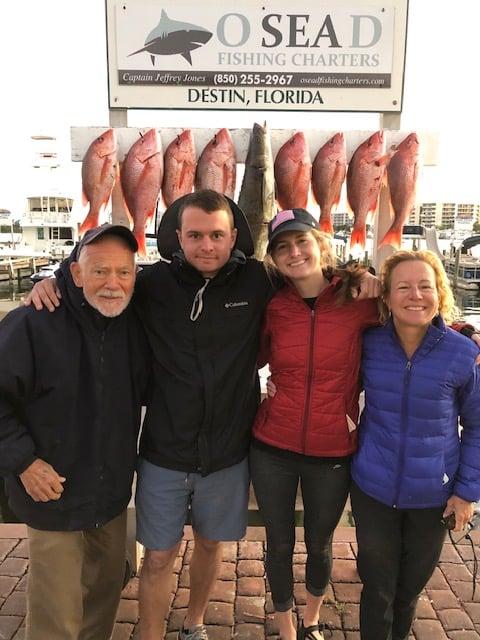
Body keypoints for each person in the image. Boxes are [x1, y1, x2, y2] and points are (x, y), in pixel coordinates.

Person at [25, 192, 378, 640]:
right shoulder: (152, 283)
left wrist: (362, 275)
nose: (206, 246)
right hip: (163, 452)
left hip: (228, 453)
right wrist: (55, 278)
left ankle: (193, 625)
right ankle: (151, 633)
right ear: (178, 238)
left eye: (216, 235)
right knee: (157, 556)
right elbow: (101, 271)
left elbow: (312, 279)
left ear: (233, 237)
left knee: (211, 545)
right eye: (195, 236)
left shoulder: (258, 281)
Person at [0, 224, 149, 640]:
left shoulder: (133, 322)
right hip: (51, 492)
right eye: (100, 271)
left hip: (111, 493)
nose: (113, 283)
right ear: (76, 273)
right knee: (57, 614)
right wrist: (23, 462)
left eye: (124, 272)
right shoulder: (32, 322)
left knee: (102, 600)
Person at [250, 208, 381, 640]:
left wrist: (463, 332)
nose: (294, 252)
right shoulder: (274, 306)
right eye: (282, 247)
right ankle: (287, 627)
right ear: (273, 259)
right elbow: (250, 359)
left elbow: (413, 314)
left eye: (301, 241)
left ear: (320, 244)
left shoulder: (359, 300)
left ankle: (312, 619)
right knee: (280, 541)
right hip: (272, 445)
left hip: (333, 448)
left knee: (320, 543)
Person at [350, 249, 480, 640]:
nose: (415, 295)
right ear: (386, 297)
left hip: (433, 495)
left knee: (408, 591)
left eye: (425, 286)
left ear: (439, 292)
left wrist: (466, 492)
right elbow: (326, 381)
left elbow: (476, 425)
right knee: (378, 588)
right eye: (403, 287)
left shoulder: (463, 354)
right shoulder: (368, 343)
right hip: (373, 488)